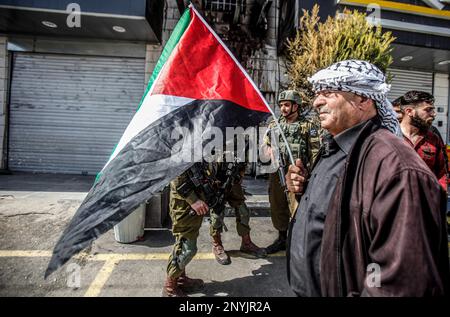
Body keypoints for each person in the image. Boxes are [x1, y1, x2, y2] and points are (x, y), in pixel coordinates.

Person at [286, 60, 449, 296]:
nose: (316, 101)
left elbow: (399, 280)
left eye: (328, 93)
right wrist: (303, 189)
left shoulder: (397, 168)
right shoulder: (335, 146)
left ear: (363, 99)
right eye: (317, 93)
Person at [261, 90, 321, 254]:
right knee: (277, 205)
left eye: (287, 105)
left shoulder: (307, 126)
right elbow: (265, 144)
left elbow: (315, 152)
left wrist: (310, 173)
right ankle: (282, 238)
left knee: (298, 208)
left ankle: (297, 241)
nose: (283, 109)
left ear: (296, 106)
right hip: (277, 173)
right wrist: (268, 150)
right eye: (281, 105)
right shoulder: (274, 125)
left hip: (298, 174)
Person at [163, 165, 209, 297]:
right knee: (187, 249)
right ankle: (170, 286)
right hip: (184, 206)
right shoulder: (183, 146)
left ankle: (180, 279)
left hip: (193, 205)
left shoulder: (198, 146)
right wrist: (194, 200)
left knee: (182, 243)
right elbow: (177, 176)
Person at [210, 164, 267, 265]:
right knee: (217, 214)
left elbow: (243, 157)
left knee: (243, 212)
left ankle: (246, 243)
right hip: (216, 182)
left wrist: (240, 174)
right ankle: (217, 244)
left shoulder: (237, 148)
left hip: (233, 180)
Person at [399, 90, 447, 190]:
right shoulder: (389, 136)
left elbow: (443, 173)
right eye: (428, 110)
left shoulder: (433, 139)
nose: (433, 114)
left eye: (433, 110)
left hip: (426, 202)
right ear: (409, 111)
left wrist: (440, 194)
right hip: (395, 201)